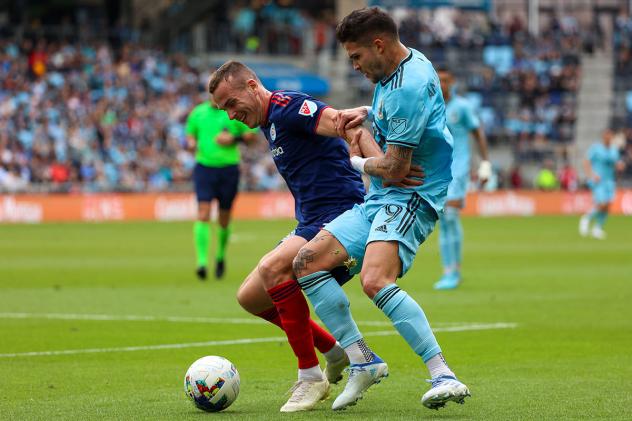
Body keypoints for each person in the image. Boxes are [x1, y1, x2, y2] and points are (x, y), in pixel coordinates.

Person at [208, 61, 422, 412]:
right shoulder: (269, 121)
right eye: (223, 109)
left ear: (251, 85)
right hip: (312, 219)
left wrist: (382, 163)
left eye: (231, 103)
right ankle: (334, 352)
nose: (230, 114)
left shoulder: (287, 107)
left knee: (274, 267)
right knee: (250, 297)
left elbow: (340, 123)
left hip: (341, 214)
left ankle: (310, 376)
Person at [292, 7, 470, 411]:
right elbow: (395, 131)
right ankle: (362, 361)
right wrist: (368, 114)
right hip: (383, 197)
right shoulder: (398, 68)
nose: (354, 66)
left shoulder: (408, 85)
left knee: (374, 279)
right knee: (307, 262)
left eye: (356, 57)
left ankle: (444, 374)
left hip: (414, 196)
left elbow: (395, 169)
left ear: (379, 44)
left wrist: (354, 160)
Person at [185, 97, 258, 280]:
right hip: (204, 168)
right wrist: (191, 143)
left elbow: (252, 136)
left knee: (224, 218)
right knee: (203, 212)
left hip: (229, 169)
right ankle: (201, 263)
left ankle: (220, 256)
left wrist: (234, 138)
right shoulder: (198, 112)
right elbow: (190, 135)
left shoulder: (233, 112)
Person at [434, 67, 491, 290]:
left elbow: (478, 133)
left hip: (458, 169)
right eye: (439, 80)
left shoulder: (463, 108)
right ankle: (449, 271)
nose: (443, 85)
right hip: (437, 171)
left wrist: (485, 164)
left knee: (450, 217)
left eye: (447, 80)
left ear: (453, 82)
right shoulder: (431, 107)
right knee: (444, 221)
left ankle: (452, 272)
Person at [579, 129, 625, 239]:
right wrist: (591, 174)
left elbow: (616, 164)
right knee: (602, 203)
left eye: (610, 136)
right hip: (598, 181)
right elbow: (586, 161)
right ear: (603, 137)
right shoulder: (596, 148)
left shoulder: (614, 150)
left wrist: (619, 167)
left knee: (607, 205)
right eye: (607, 136)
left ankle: (597, 228)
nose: (608, 138)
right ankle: (586, 218)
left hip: (610, 181)